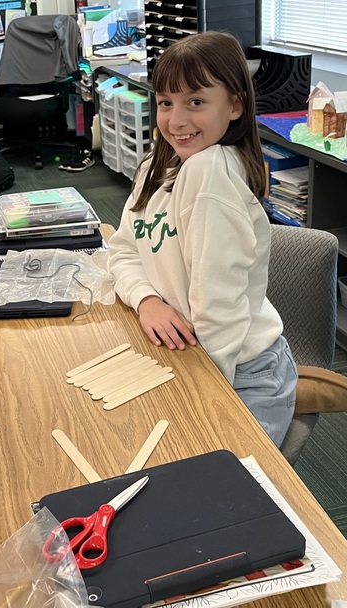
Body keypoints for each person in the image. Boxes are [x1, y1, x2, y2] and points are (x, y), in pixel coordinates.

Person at [107, 31, 297, 446]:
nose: (176, 120)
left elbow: (219, 309)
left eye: (196, 102)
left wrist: (201, 400)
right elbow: (122, 250)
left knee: (220, 493)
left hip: (239, 370)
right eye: (165, 102)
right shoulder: (159, 166)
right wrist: (147, 299)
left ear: (234, 105)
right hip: (188, 352)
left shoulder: (210, 172)